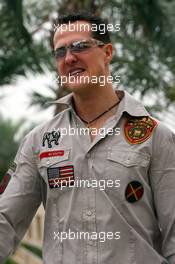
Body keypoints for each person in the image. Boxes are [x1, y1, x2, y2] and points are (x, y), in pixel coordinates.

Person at [0, 12, 175, 264]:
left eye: (80, 46)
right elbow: (5, 219)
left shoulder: (155, 136)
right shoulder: (39, 141)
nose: (69, 58)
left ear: (107, 53)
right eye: (60, 52)